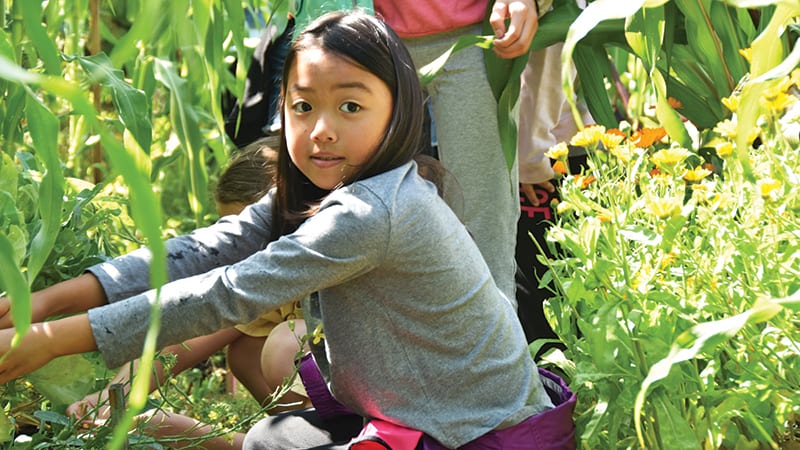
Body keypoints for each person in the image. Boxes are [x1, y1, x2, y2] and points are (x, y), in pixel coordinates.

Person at [0, 11, 575, 449]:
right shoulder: (325, 191)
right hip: (411, 411)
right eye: (303, 107)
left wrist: (48, 340)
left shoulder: (374, 212)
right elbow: (202, 251)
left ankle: (199, 437)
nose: (321, 130)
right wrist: (43, 302)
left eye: (350, 107)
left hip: (479, 433)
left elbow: (229, 293)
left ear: (399, 112)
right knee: (272, 436)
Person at [33, 139, 307, 449]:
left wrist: (193, 433)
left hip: (367, 402)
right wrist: (114, 396)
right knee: (245, 353)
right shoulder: (269, 283)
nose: (240, 259)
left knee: (288, 342)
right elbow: (186, 337)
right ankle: (291, 440)